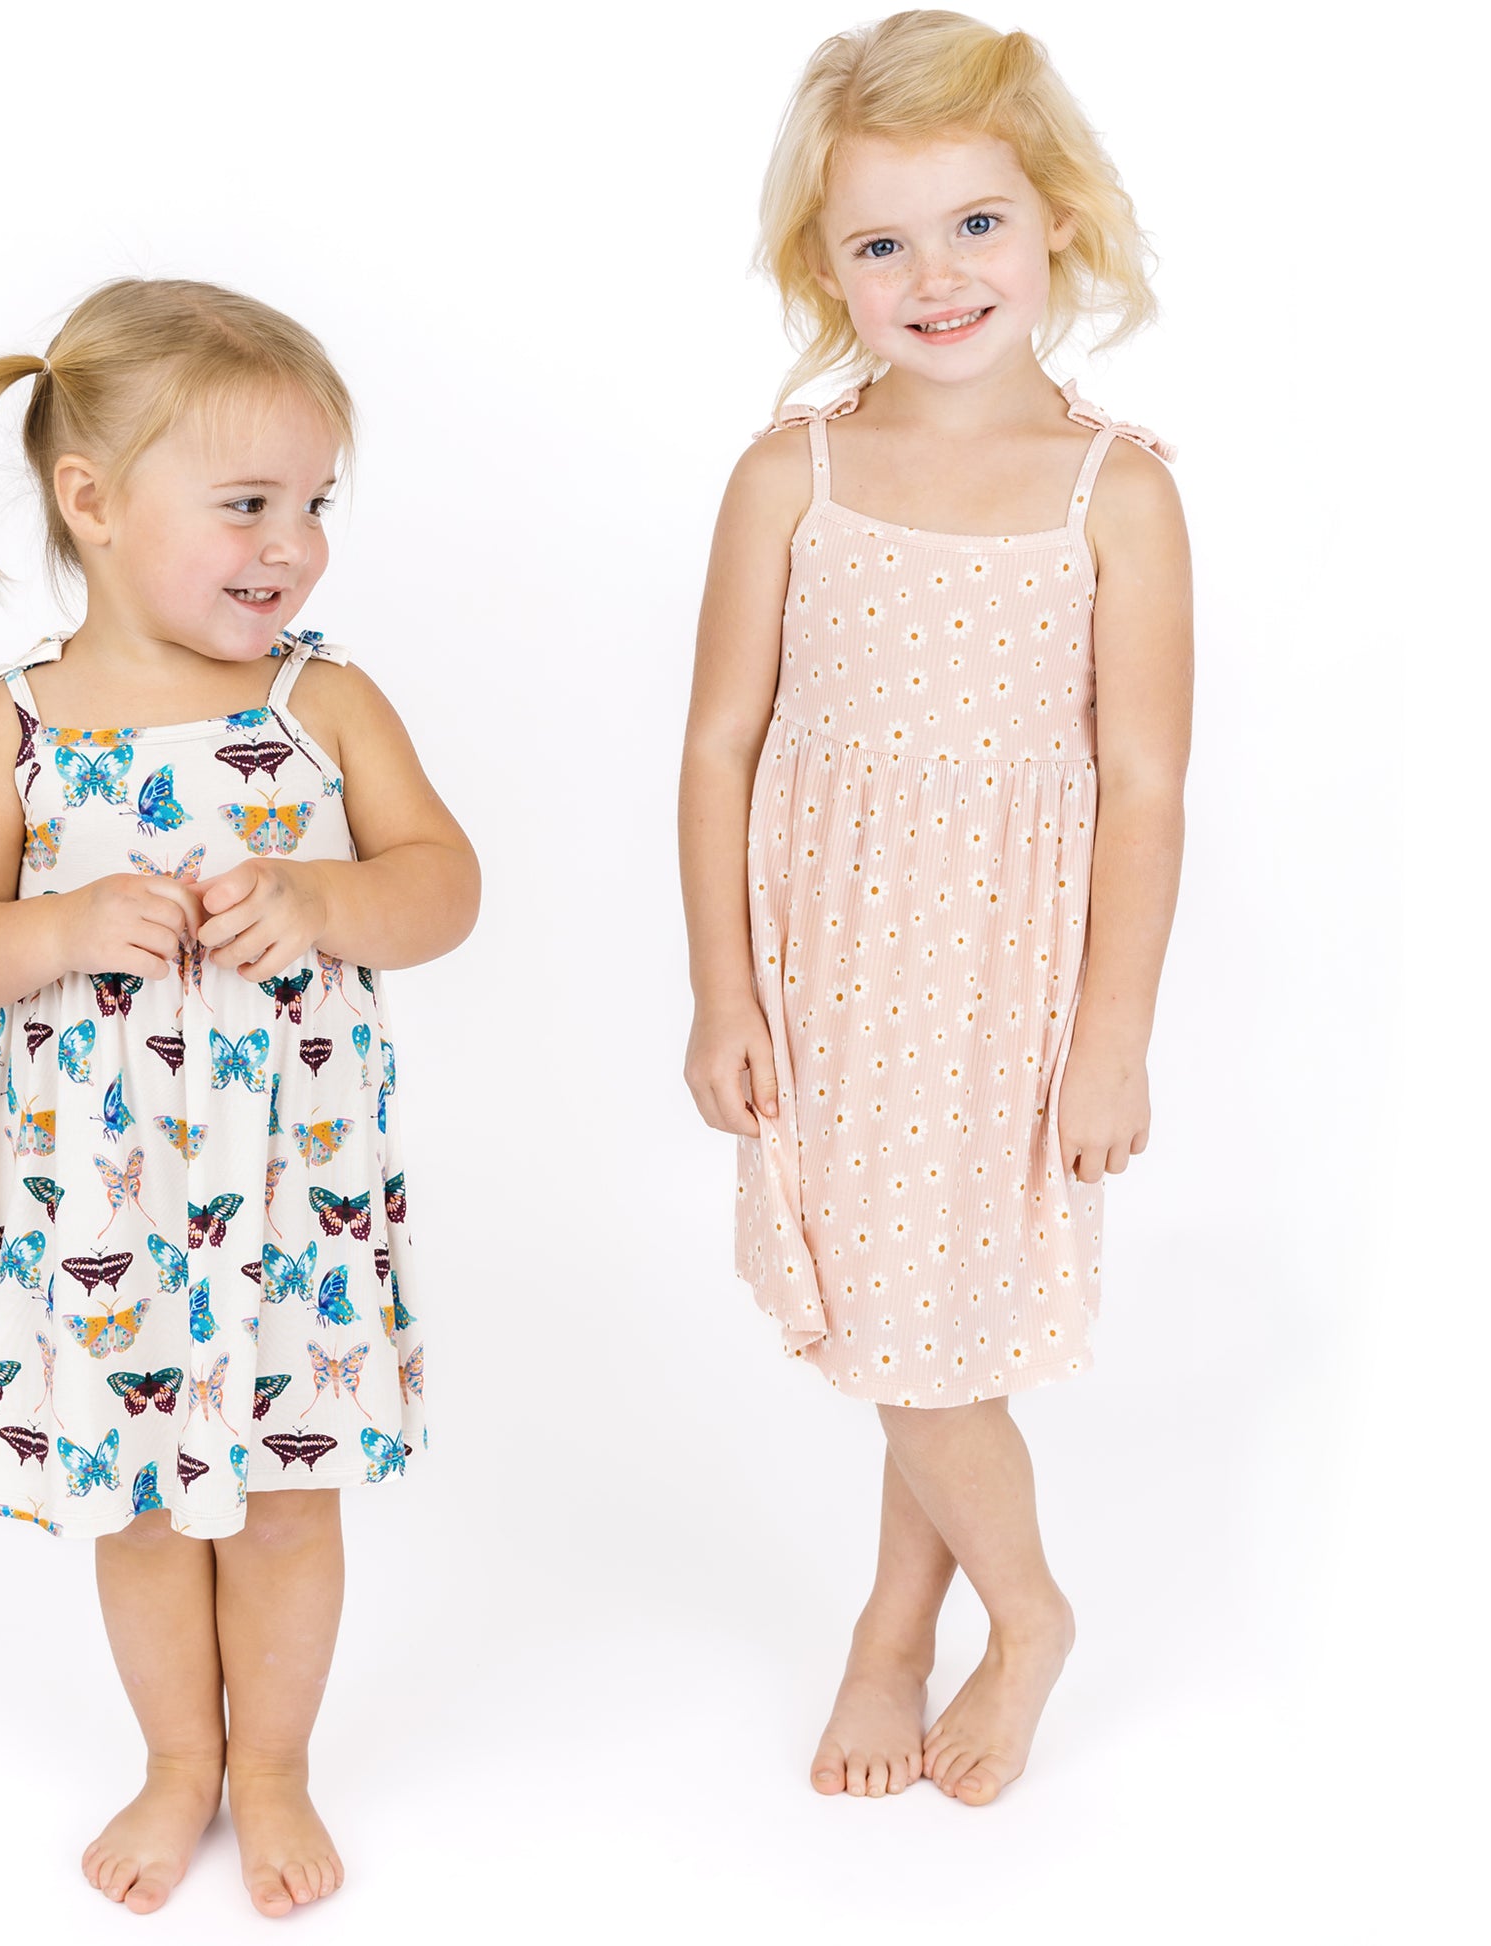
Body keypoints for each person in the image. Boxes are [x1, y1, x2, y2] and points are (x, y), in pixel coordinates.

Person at [0, 278, 479, 1915]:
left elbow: (443, 887)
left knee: (285, 1496)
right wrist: (54, 928)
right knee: (142, 1507)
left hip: (291, 1198)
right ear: (91, 501)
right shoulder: (14, 728)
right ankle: (175, 1760)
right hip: (105, 1205)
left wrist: (323, 897)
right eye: (246, 504)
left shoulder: (318, 704)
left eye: (314, 504)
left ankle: (274, 1765)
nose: (292, 544)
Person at [679, 12, 1192, 1808]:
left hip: (1006, 979)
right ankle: (896, 1624)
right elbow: (718, 743)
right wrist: (719, 989)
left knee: (931, 1315)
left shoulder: (1116, 488)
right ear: (821, 266)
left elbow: (1143, 782)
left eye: (976, 222)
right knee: (904, 1304)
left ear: (1056, 219)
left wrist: (1112, 1032)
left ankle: (1018, 1611)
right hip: (831, 964)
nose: (936, 275)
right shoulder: (790, 476)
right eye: (881, 242)